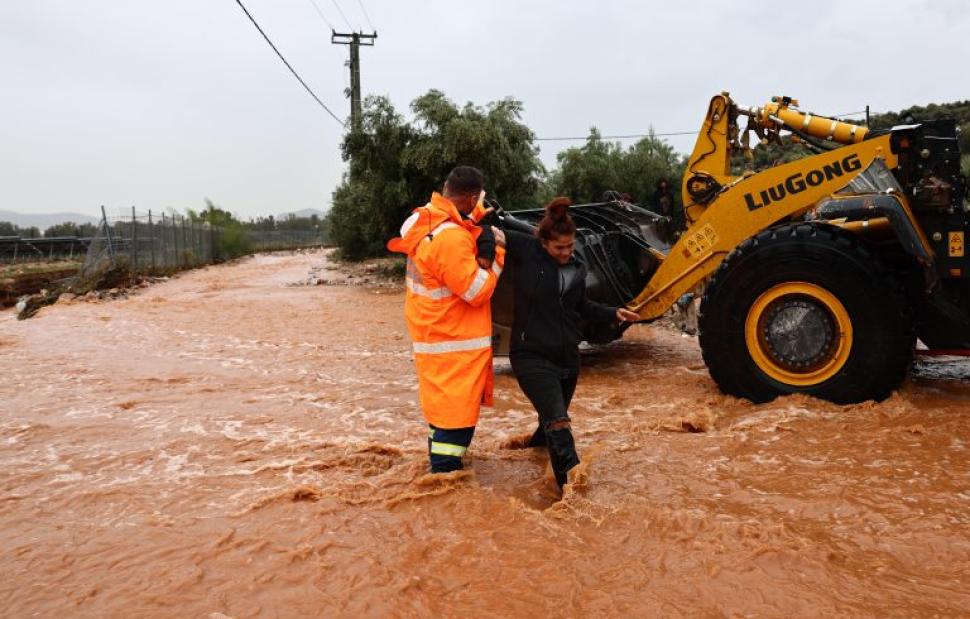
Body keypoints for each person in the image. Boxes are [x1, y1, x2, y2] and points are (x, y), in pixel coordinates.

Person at [502, 197, 639, 490]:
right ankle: (572, 492)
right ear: (543, 244)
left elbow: (581, 306)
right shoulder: (527, 251)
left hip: (567, 358)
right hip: (531, 356)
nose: (566, 253)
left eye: (570, 246)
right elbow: (489, 230)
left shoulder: (576, 266)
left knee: (550, 420)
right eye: (559, 248)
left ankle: (533, 454)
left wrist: (613, 312)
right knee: (558, 422)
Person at [387, 166, 507, 474]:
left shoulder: (429, 222)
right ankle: (442, 487)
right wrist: (500, 254)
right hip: (454, 348)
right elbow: (477, 291)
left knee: (441, 422)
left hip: (437, 341)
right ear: (469, 198)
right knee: (453, 430)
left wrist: (473, 220)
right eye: (477, 200)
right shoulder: (450, 238)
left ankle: (440, 496)